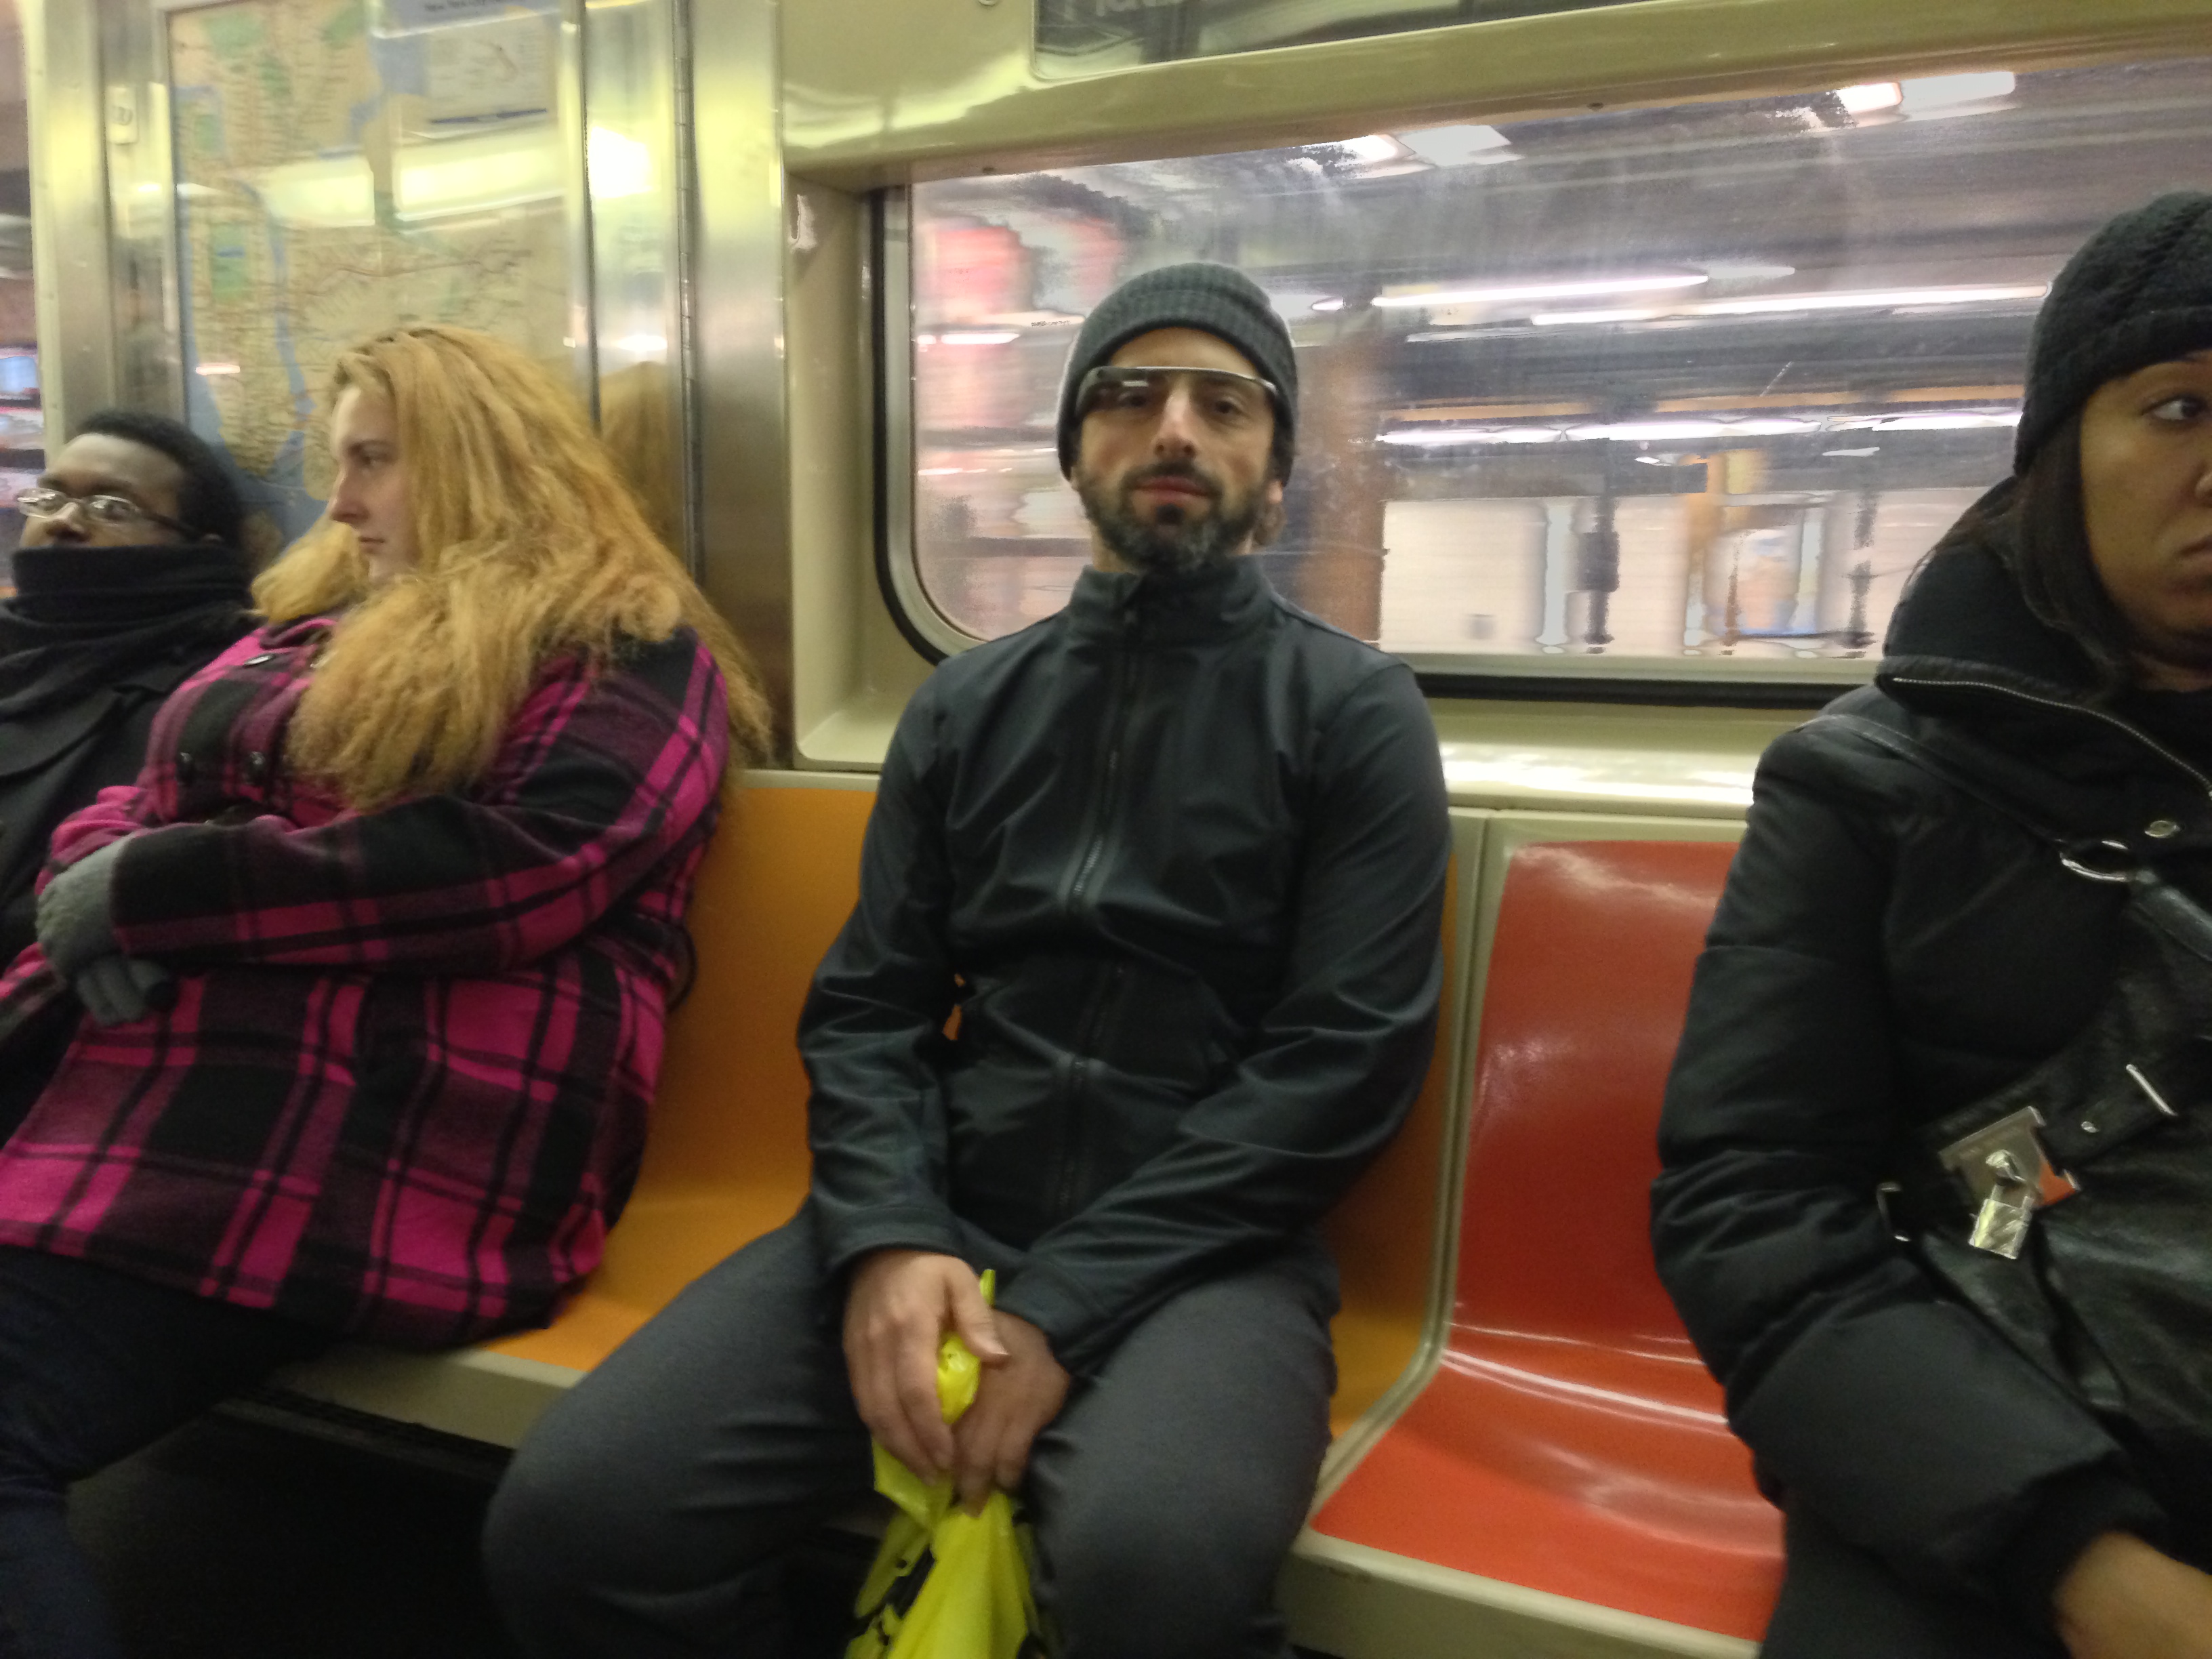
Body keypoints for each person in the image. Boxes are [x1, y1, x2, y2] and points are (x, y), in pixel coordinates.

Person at [485, 263, 1452, 1658]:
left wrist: (1057, 1307)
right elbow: (870, 1009)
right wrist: (889, 1238)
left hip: (1209, 1249)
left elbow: (1337, 1068)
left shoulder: (1355, 715)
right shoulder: (967, 705)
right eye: (1128, 396)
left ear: (1275, 473)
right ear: (1074, 451)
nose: (1173, 427)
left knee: (1148, 1575)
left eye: (1223, 404)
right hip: (948, 1203)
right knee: (579, 1523)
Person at [0, 324, 771, 1658]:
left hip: (368, 1127)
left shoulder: (623, 648)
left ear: (476, 464)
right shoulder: (311, 625)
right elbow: (137, 789)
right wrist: (98, 872)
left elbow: (519, 867)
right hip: (168, 1097)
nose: (342, 500)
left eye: (375, 462)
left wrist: (164, 891)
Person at [1654, 192, 2212, 1658]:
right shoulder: (1871, 783)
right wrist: (2079, 1560)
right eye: (2177, 407)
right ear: (2059, 458)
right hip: (1984, 1443)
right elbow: (1753, 1206)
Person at [0, 411, 256, 965]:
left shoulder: (227, 687)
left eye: (112, 508)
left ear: (200, 549)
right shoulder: (12, 651)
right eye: (47, 499)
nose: (63, 522)